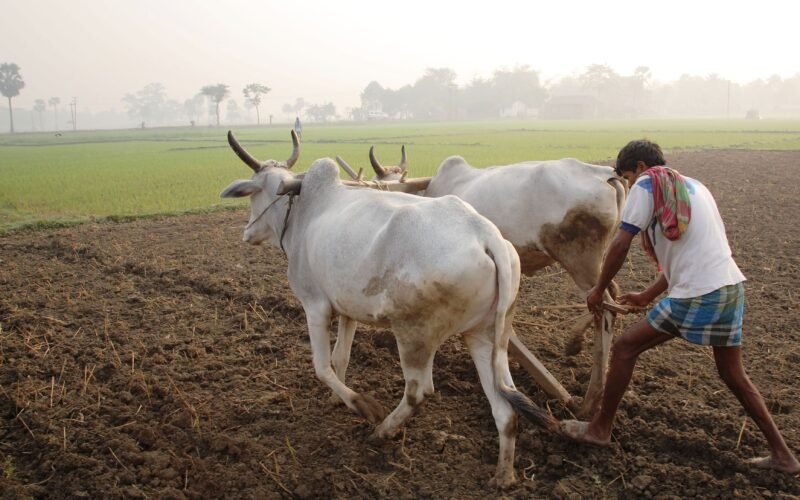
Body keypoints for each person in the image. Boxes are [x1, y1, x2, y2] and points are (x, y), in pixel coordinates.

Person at [560, 139, 800, 474]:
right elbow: (690, 254)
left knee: (626, 347)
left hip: (698, 294)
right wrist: (647, 295)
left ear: (641, 167)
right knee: (733, 375)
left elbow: (621, 241)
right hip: (729, 287)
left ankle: (600, 429)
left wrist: (598, 288)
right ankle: (783, 455)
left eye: (627, 177)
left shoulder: (648, 183)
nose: (629, 185)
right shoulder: (694, 187)